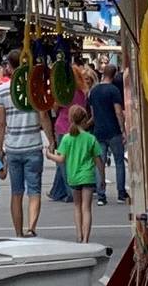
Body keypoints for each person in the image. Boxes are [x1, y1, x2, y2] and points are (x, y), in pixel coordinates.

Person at [0, 72, 46, 236]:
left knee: (16, 192)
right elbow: (43, 115)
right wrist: (50, 139)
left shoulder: (1, 90)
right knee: (34, 191)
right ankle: (31, 228)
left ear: (9, 67)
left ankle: (18, 232)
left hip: (13, 147)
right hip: (33, 144)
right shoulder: (34, 87)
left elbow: (1, 123)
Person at [53, 108, 101, 243]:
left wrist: (49, 155)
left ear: (70, 119)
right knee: (87, 208)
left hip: (73, 176)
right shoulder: (90, 138)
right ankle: (86, 238)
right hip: (88, 176)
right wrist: (101, 176)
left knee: (77, 206)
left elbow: (61, 159)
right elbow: (98, 160)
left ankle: (79, 235)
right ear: (85, 119)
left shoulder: (67, 138)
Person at [85, 67, 130, 203]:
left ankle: (101, 195)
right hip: (114, 131)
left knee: (100, 164)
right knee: (119, 162)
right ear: (115, 75)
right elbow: (118, 112)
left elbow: (92, 115)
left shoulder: (93, 92)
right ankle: (121, 194)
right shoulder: (114, 90)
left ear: (103, 74)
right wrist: (123, 130)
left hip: (99, 131)